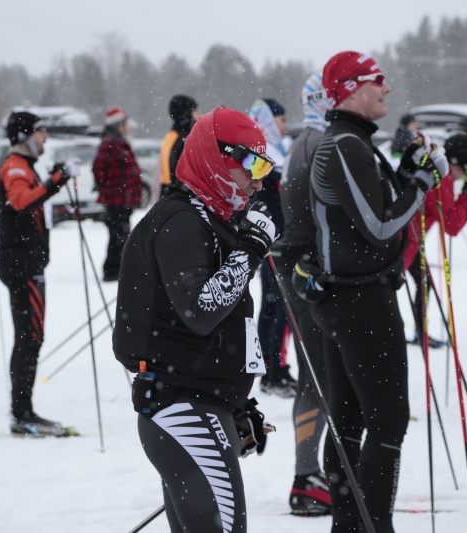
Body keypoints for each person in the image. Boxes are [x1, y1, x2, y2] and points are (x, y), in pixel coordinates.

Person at [113, 108, 277, 532]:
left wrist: (235, 402)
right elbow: (202, 309)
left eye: (265, 167)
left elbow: (212, 326)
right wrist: (252, 250)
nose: (258, 183)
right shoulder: (182, 221)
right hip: (181, 408)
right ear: (219, 159)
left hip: (196, 402)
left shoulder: (209, 217)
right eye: (252, 166)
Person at [308, 51, 445, 533]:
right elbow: (380, 226)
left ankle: (351, 525)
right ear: (351, 89)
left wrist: (408, 171)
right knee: (386, 422)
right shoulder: (345, 144)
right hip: (358, 299)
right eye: (377, 81)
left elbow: (376, 210)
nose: (386, 89)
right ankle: (370, 525)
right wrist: (424, 182)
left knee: (350, 421)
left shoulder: (355, 142)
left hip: (350, 296)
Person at [0, 111, 81, 436]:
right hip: (21, 263)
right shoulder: (15, 164)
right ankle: (22, 413)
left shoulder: (23, 164)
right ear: (25, 136)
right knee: (29, 336)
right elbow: (20, 202)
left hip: (25, 261)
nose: (45, 138)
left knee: (30, 336)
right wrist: (56, 180)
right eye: (41, 133)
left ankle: (23, 410)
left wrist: (54, 179)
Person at [274, 73, 332, 516]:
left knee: (323, 377)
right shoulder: (319, 142)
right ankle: (307, 477)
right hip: (308, 270)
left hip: (302, 265)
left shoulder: (307, 139)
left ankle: (315, 473)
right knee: (320, 378)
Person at [404, 132, 467, 348]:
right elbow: (452, 224)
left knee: (423, 281)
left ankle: (420, 332)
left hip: (410, 238)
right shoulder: (441, 178)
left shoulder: (437, 170)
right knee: (391, 288)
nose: (464, 174)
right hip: (403, 239)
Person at [248, 97, 297, 396]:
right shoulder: (259, 152)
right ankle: (272, 368)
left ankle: (268, 364)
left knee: (272, 303)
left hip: (273, 237)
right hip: (273, 239)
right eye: (280, 120)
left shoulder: (274, 150)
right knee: (277, 304)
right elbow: (260, 191)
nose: (285, 125)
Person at [93, 107, 142, 281]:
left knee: (121, 236)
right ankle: (113, 270)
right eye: (126, 123)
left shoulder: (118, 141)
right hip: (117, 200)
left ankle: (118, 268)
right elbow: (98, 169)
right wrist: (111, 187)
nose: (129, 126)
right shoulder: (111, 143)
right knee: (118, 236)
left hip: (122, 199)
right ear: (118, 125)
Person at [159, 95, 199, 197]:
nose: (199, 116)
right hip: (180, 199)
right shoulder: (184, 140)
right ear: (186, 115)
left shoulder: (171, 136)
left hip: (168, 196)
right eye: (195, 112)